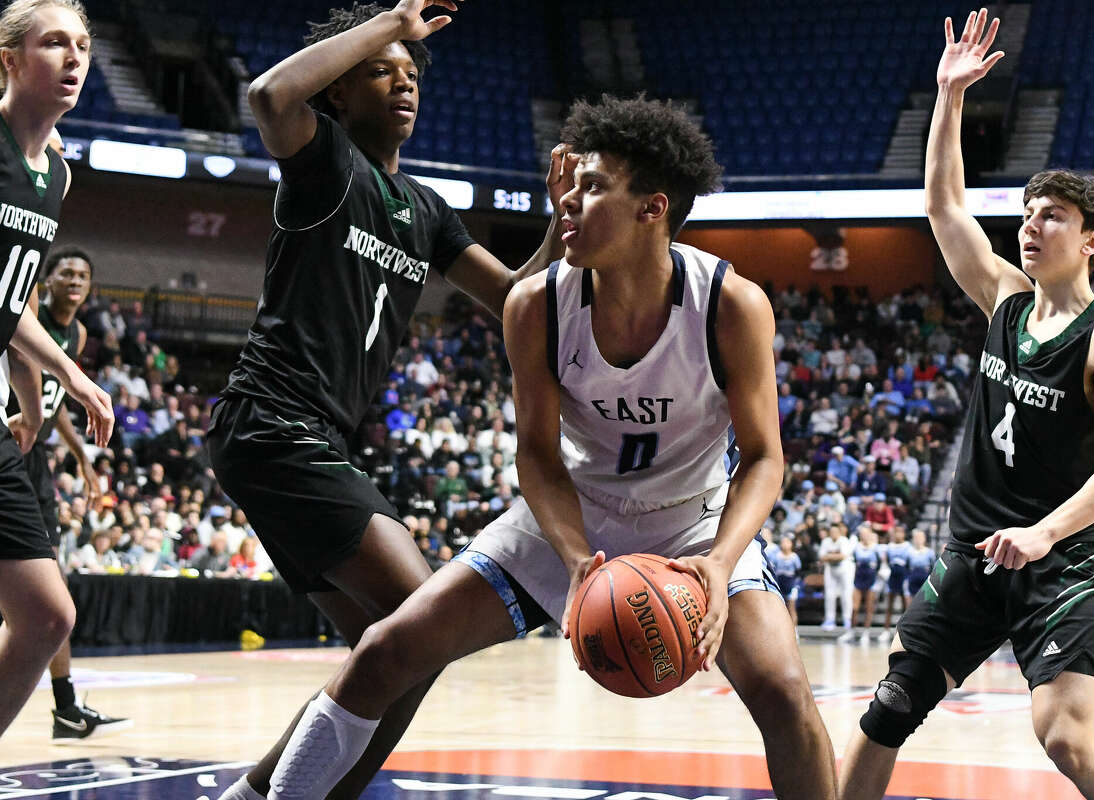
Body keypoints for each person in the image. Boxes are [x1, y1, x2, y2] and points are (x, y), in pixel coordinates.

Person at [257, 95, 837, 800]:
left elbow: (766, 457)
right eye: (570, 182)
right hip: (572, 516)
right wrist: (572, 560)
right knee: (385, 651)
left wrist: (717, 561)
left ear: (653, 209)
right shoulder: (535, 305)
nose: (566, 198)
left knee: (782, 690)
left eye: (592, 187)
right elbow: (535, 453)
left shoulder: (730, 303)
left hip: (693, 520)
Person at [207, 3, 577, 797]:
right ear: (340, 92)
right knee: (419, 622)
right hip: (272, 420)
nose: (405, 84)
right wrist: (388, 24)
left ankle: (258, 793)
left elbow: (519, 298)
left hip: (314, 438)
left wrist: (561, 222)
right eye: (385, 71)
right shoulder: (325, 161)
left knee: (390, 655)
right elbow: (272, 96)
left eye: (412, 76)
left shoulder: (428, 209)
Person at [838, 11, 1094, 800]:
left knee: (1066, 738)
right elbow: (946, 209)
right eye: (1027, 213)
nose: (1030, 227)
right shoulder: (1006, 301)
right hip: (977, 552)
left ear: (1090, 241)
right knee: (890, 706)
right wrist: (948, 97)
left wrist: (1044, 534)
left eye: (1052, 216)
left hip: (1061, 561)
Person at [0, 0, 114, 742]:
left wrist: (42, 390)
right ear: (9, 60)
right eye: (52, 44)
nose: (73, 58)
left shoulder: (56, 177)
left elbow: (10, 300)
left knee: (47, 615)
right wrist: (68, 374)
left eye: (81, 45)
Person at [2, 245, 129, 739]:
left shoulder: (75, 333)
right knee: (39, 595)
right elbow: (22, 362)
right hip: (11, 434)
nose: (75, 280)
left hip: (36, 454)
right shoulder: (24, 304)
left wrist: (79, 456)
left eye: (83, 274)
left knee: (51, 592)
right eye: (66, 271)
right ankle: (64, 704)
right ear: (47, 279)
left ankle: (65, 704)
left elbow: (53, 405)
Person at [819, 521, 854, 632]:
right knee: (829, 594)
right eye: (832, 531)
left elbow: (843, 556)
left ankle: (847, 619)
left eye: (836, 531)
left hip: (845, 570)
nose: (833, 533)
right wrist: (835, 556)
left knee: (846, 594)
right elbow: (821, 557)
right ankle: (830, 619)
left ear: (840, 532)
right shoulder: (826, 541)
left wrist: (829, 556)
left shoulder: (844, 540)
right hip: (831, 570)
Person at [849, 525, 881, 643]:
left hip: (871, 580)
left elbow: (878, 564)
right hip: (858, 580)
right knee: (854, 607)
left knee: (869, 607)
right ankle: (852, 631)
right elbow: (854, 562)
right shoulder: (856, 547)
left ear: (870, 534)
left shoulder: (876, 548)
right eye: (862, 534)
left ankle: (866, 633)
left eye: (866, 533)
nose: (864, 536)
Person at [881, 525, 911, 636]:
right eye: (896, 532)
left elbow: (909, 562)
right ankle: (886, 630)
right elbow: (888, 561)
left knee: (905, 606)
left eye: (900, 532)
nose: (897, 535)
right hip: (893, 576)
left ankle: (904, 632)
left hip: (904, 576)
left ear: (903, 534)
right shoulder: (889, 546)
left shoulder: (908, 546)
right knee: (890, 605)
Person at [768, 533, 803, 626]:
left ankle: (794, 630)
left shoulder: (794, 557)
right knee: (779, 607)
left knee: (791, 607)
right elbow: (772, 569)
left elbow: (799, 572)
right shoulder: (776, 556)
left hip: (791, 583)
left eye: (787, 542)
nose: (785, 544)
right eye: (783, 542)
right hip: (780, 583)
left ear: (791, 544)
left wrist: (796, 584)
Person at [904, 528, 935, 609]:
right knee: (910, 605)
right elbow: (906, 567)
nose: (918, 540)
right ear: (913, 539)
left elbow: (933, 568)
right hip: (912, 579)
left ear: (924, 539)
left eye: (920, 537)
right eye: (916, 537)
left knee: (924, 604)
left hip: (924, 579)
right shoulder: (909, 552)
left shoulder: (930, 552)